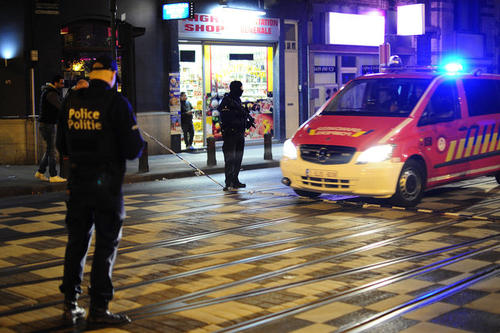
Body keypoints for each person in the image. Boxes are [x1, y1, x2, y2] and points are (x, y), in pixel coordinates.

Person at [56, 55, 144, 326]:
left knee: (77, 243)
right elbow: (132, 149)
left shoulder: (71, 101)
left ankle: (70, 304)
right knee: (105, 246)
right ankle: (99, 307)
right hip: (106, 186)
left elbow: (62, 145)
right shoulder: (117, 103)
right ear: (112, 75)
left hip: (78, 183)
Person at [218, 81, 254, 191]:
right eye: (240, 88)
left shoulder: (237, 100)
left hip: (239, 134)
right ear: (235, 89)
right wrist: (240, 118)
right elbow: (227, 118)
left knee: (238, 159)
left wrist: (246, 122)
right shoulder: (226, 101)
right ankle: (228, 182)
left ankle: (235, 180)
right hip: (230, 135)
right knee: (230, 160)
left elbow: (240, 115)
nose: (242, 90)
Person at [34, 74, 67, 183]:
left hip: (47, 123)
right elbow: (60, 107)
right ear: (55, 83)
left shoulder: (49, 92)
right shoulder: (51, 93)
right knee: (52, 150)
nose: (63, 85)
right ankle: (53, 175)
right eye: (61, 83)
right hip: (48, 124)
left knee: (49, 149)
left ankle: (40, 172)